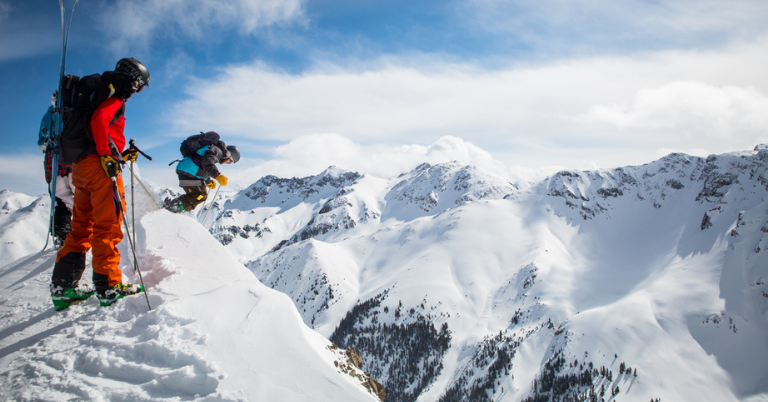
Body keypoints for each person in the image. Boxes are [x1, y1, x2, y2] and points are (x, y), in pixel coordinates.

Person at [50, 58, 150, 310]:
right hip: (101, 168)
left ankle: (64, 286)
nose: (137, 92)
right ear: (134, 79)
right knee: (108, 225)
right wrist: (107, 154)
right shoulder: (115, 95)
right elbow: (99, 122)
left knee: (81, 225)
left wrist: (118, 154)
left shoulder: (96, 93)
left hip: (81, 166)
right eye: (139, 86)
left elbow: (95, 128)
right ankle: (109, 285)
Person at [163, 132, 240, 213]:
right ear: (229, 154)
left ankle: (173, 205)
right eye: (230, 160)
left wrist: (208, 181)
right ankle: (173, 208)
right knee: (201, 196)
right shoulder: (217, 151)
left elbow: (202, 166)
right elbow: (207, 163)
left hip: (186, 172)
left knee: (198, 194)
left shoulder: (214, 150)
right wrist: (218, 176)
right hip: (188, 173)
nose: (229, 163)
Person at [38, 96, 75, 246]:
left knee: (60, 201)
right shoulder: (77, 112)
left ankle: (62, 235)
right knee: (81, 199)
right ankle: (81, 233)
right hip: (74, 160)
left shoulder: (49, 114)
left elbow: (42, 140)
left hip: (53, 162)